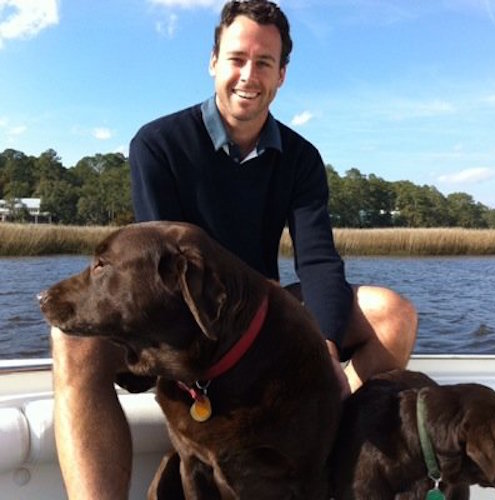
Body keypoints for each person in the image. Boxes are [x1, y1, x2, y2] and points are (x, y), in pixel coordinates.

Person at [50, 1, 418, 498]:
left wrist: (325, 349)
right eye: (237, 59)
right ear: (213, 62)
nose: (249, 75)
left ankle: (326, 445)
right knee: (71, 342)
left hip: (261, 310)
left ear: (281, 75)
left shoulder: (302, 159)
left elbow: (317, 261)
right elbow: (153, 277)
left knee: (395, 315)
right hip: (182, 312)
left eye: (264, 62)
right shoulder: (157, 144)